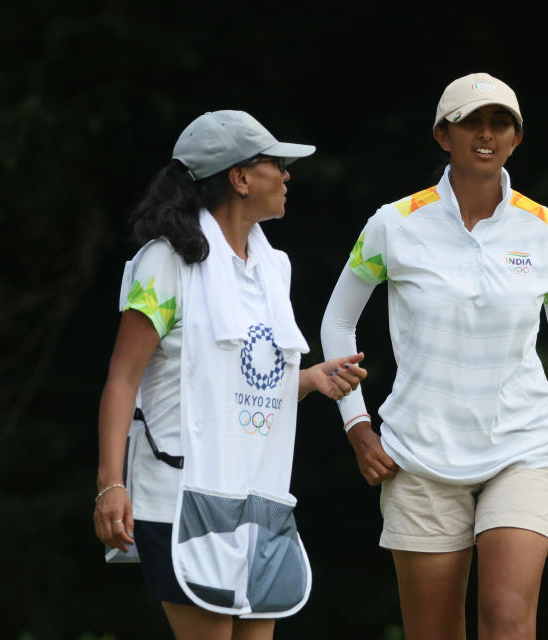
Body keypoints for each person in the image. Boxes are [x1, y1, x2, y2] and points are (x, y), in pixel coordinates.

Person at [320, 73, 548, 640]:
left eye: (501, 123)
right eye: (471, 122)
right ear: (441, 135)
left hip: (521, 446)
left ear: (517, 139)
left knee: (507, 621)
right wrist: (356, 425)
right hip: (418, 453)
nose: (486, 134)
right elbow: (337, 320)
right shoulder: (393, 223)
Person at [94, 110, 367, 640]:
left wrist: (309, 379)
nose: (287, 175)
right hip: (178, 497)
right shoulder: (164, 264)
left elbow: (237, 383)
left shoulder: (271, 269)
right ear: (240, 178)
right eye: (276, 165)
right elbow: (122, 379)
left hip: (256, 500)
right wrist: (110, 483)